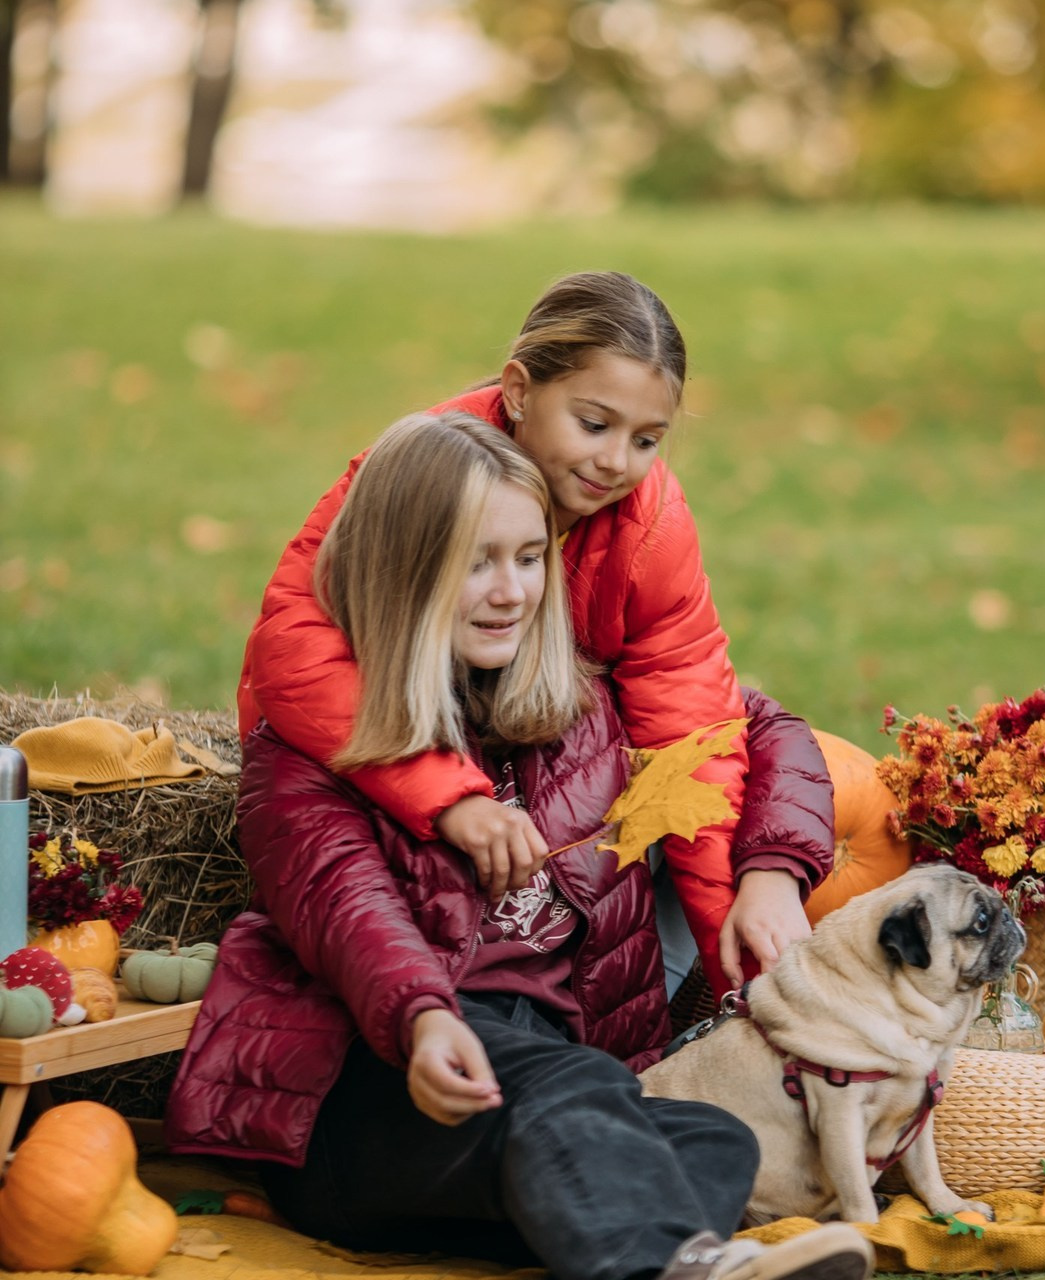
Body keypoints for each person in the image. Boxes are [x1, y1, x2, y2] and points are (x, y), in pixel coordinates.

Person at [166, 413, 872, 1280]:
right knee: (572, 1094)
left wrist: (769, 874)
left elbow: (763, 729)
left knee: (710, 1138)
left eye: (530, 557)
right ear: (403, 571)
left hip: (546, 1085)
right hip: (371, 1081)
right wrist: (423, 1020)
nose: (512, 592)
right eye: (477, 562)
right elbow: (348, 908)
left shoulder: (579, 709)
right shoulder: (312, 746)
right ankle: (677, 1270)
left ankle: (606, 1236)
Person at [237, 272, 834, 1001]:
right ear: (520, 391)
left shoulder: (650, 526)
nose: (617, 461)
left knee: (748, 736)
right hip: (396, 767)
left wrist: (725, 952)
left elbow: (690, 718)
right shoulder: (422, 477)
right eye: (594, 424)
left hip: (543, 771)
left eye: (647, 439)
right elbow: (296, 653)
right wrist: (447, 797)